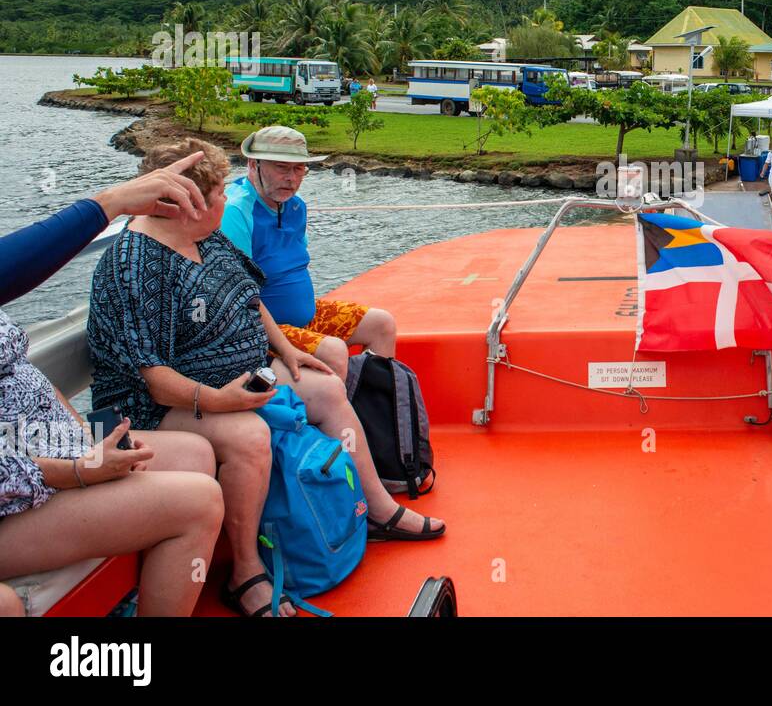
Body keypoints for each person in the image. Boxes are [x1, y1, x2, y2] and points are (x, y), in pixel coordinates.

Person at [87, 139, 445, 619]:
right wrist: (218, 401)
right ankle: (246, 574)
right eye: (218, 194)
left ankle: (378, 507)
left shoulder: (206, 239)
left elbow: (250, 299)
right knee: (248, 435)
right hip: (160, 405)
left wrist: (288, 349)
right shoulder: (133, 264)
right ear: (190, 204)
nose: (227, 200)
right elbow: (151, 377)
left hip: (238, 373)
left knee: (324, 388)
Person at [0, 155, 225, 617]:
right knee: (198, 501)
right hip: (19, 488)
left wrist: (83, 434)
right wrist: (80, 470)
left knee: (195, 453)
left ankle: (140, 595)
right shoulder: (135, 263)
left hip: (52, 450)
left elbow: (20, 370)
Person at [221, 126, 398, 380]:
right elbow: (240, 297)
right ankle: (338, 417)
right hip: (260, 331)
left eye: (299, 168)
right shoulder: (236, 211)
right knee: (334, 350)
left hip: (304, 319)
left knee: (381, 324)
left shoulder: (295, 205)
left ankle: (376, 407)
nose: (292, 178)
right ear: (253, 164)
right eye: (282, 167)